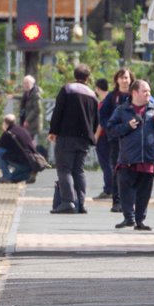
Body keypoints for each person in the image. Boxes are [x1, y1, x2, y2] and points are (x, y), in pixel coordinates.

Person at [107, 79, 154, 231]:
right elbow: (111, 130)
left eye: (149, 91)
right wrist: (127, 126)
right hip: (128, 157)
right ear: (135, 93)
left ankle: (140, 220)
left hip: (148, 157)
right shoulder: (122, 110)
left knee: (144, 191)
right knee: (125, 188)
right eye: (145, 91)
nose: (149, 94)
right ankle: (129, 218)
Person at [48, 62, 99, 214]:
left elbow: (58, 112)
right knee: (79, 170)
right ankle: (81, 203)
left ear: (74, 76)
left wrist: (53, 131)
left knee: (64, 169)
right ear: (88, 78)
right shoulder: (92, 94)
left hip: (66, 136)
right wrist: (92, 136)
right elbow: (96, 120)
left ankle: (68, 201)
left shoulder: (67, 89)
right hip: (84, 139)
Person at [103, 68, 134, 212]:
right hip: (116, 139)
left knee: (132, 170)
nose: (124, 80)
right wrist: (110, 129)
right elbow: (103, 115)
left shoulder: (135, 95)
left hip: (132, 139)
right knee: (116, 168)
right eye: (121, 78)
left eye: (126, 77)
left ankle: (130, 201)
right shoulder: (112, 96)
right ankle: (116, 201)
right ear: (117, 80)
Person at [0, 114, 38, 183]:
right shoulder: (22, 130)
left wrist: (4, 131)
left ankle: (6, 177)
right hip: (31, 163)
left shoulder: (8, 133)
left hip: (22, 164)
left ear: (5, 123)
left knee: (0, 151)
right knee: (14, 178)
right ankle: (27, 175)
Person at [93, 77, 112, 199]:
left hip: (103, 137)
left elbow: (101, 122)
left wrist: (95, 136)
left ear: (97, 88)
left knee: (106, 164)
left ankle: (109, 189)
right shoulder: (112, 100)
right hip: (113, 136)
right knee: (111, 163)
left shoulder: (103, 103)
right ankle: (112, 188)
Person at [19, 75, 42, 152]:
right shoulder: (27, 93)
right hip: (26, 121)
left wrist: (27, 120)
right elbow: (23, 101)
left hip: (33, 123)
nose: (25, 85)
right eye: (24, 83)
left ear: (32, 83)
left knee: (30, 140)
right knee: (26, 140)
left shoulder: (36, 94)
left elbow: (37, 109)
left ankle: (33, 157)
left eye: (27, 83)